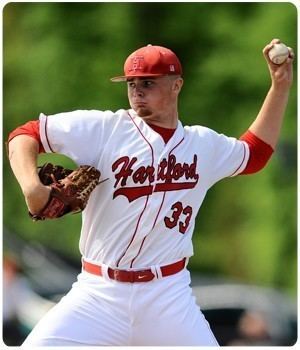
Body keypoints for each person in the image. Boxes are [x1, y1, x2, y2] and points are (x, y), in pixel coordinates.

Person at [7, 39, 294, 346]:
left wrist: (280, 86)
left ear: (176, 85)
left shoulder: (202, 145)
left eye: (148, 83)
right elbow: (25, 134)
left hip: (168, 297)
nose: (137, 91)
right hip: (98, 293)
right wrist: (31, 186)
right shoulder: (104, 128)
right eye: (131, 83)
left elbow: (254, 154)